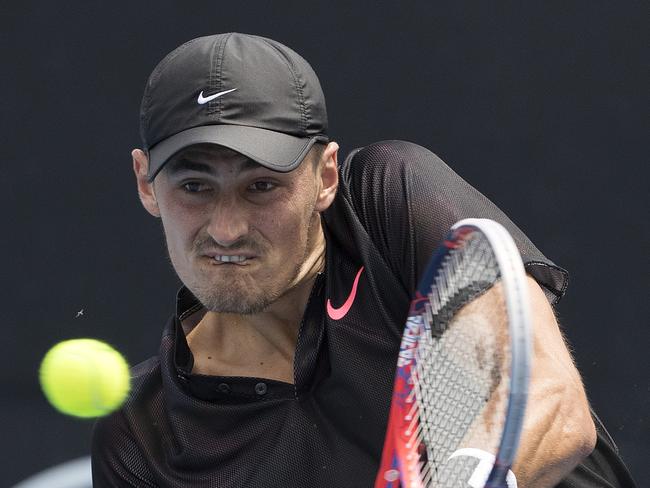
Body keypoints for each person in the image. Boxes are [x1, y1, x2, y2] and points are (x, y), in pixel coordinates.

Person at [91, 33, 637, 487]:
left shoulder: (385, 203)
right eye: (194, 186)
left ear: (325, 176)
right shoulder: (144, 437)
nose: (227, 228)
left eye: (261, 186)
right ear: (145, 183)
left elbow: (553, 409)